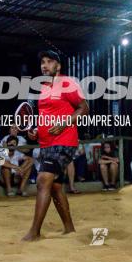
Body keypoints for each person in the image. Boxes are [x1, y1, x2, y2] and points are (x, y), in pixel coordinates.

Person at [22, 50, 89, 241]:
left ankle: (34, 232)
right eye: (42, 62)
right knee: (56, 187)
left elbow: (84, 108)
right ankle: (69, 228)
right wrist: (35, 130)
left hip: (64, 141)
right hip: (46, 143)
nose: (44, 65)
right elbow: (46, 116)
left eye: (49, 61)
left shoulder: (67, 83)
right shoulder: (43, 87)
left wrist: (64, 124)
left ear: (58, 66)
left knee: (43, 179)